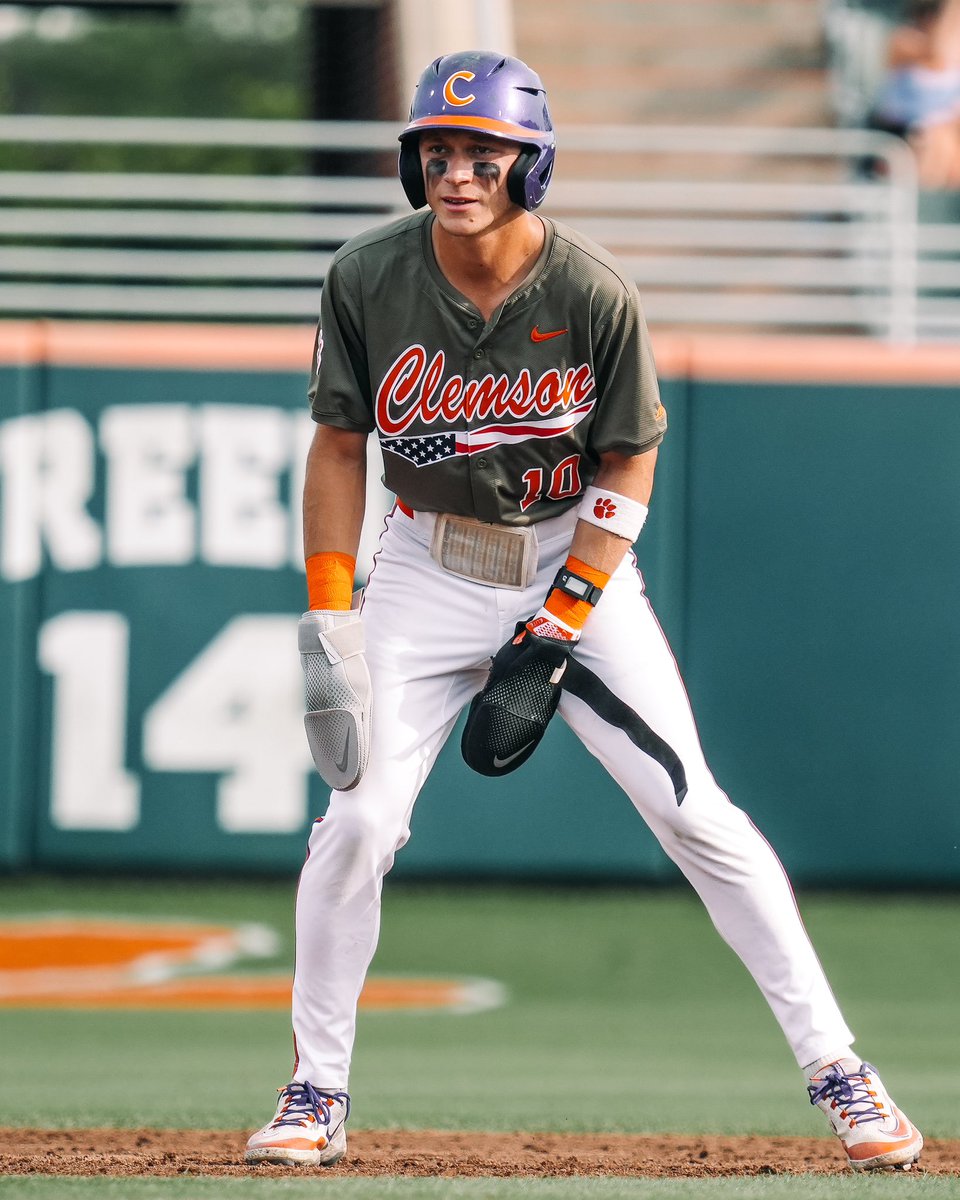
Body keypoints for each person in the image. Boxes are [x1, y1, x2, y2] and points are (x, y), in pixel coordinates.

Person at [245, 50, 923, 1173]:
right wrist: (331, 612)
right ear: (415, 163)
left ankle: (841, 1071)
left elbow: (629, 460)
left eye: (484, 152)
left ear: (531, 164)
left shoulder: (593, 289)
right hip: (423, 569)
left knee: (695, 811)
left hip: (574, 566)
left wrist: (562, 614)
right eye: (439, 151)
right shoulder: (367, 273)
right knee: (358, 825)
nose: (459, 171)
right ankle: (316, 1089)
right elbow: (337, 443)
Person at [870, 0, 960, 187]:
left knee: (945, 140)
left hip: (940, 132)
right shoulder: (902, 40)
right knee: (936, 137)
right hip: (900, 126)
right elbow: (936, 53)